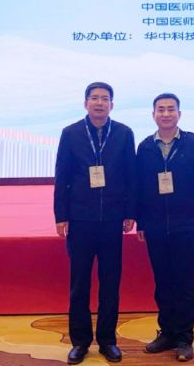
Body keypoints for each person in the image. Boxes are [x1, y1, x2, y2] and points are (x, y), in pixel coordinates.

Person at [54, 82, 136, 364]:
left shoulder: (124, 133)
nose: (99, 103)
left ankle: (107, 340)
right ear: (85, 103)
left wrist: (130, 212)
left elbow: (131, 176)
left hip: (112, 219)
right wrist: (61, 215)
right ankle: (80, 342)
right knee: (79, 284)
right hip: (80, 219)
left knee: (110, 283)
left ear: (112, 104)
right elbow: (62, 177)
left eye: (105, 99)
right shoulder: (71, 133)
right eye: (94, 98)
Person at [136, 93, 194, 362]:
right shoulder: (145, 147)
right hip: (155, 226)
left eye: (171, 109)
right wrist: (141, 222)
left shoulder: (192, 143)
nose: (166, 114)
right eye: (161, 109)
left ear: (179, 114)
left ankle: (184, 338)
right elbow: (140, 189)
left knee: (184, 283)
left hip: (185, 225)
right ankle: (166, 333)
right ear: (153, 114)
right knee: (162, 282)